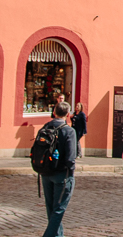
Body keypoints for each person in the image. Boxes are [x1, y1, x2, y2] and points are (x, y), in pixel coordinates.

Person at [37, 101, 76, 237]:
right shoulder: (68, 131)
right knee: (59, 209)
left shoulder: (45, 127)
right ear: (68, 114)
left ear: (54, 112)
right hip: (62, 174)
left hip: (45, 172)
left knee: (51, 208)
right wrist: (71, 171)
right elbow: (71, 157)